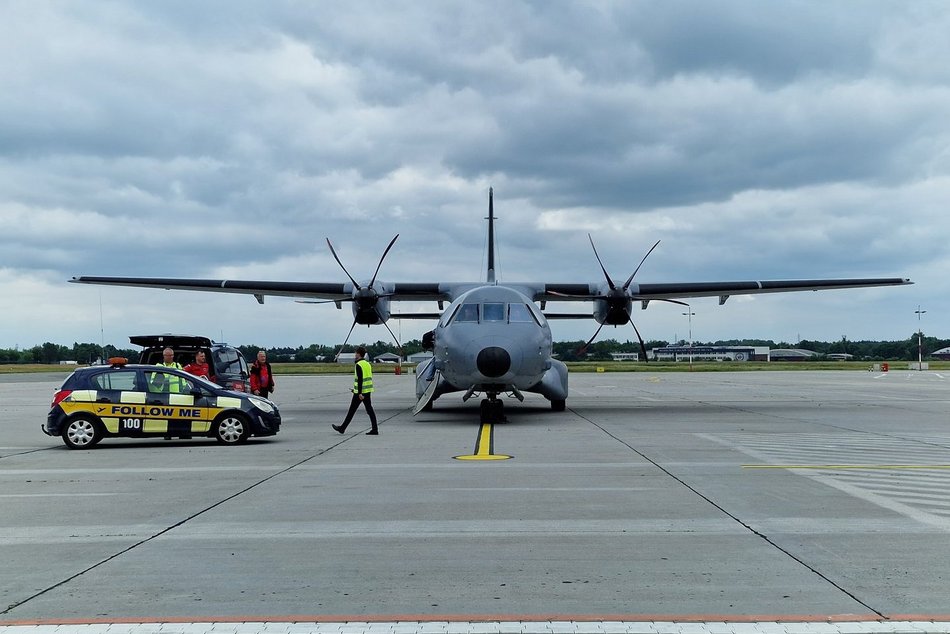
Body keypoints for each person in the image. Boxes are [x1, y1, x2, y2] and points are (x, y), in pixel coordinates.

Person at [332, 346, 378, 435]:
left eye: (356, 353)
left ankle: (342, 428)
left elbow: (360, 379)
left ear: (359, 354)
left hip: (360, 393)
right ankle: (375, 429)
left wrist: (359, 392)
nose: (355, 354)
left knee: (352, 410)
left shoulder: (358, 365)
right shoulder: (367, 364)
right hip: (367, 390)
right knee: (369, 410)